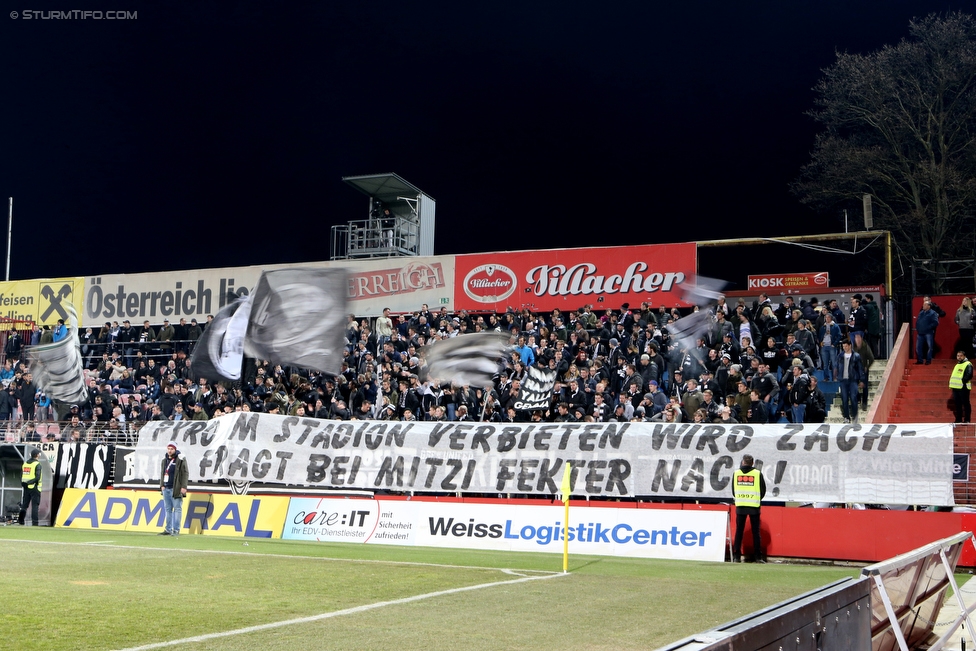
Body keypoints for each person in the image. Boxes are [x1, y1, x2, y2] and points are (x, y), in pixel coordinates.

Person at [731, 454, 766, 563]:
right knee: (756, 533)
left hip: (740, 505)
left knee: (739, 532)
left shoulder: (736, 474)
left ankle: (737, 556)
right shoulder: (757, 474)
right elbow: (763, 490)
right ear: (752, 463)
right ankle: (757, 557)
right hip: (754, 506)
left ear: (743, 462)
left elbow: (733, 490)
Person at [159, 443, 188, 536]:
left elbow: (185, 473)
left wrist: (184, 486)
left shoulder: (180, 459)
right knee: (168, 509)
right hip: (166, 487)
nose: (170, 450)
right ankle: (168, 529)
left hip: (176, 488)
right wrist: (162, 485)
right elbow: (162, 473)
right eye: (168, 448)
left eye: (171, 449)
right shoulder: (164, 460)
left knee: (177, 509)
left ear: (175, 449)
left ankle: (176, 530)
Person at [838, 339, 865, 424]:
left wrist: (861, 379)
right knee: (844, 399)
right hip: (843, 380)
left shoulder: (856, 356)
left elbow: (860, 368)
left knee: (853, 398)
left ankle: (855, 416)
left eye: (846, 346)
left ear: (850, 345)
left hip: (853, 380)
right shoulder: (840, 356)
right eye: (843, 346)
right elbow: (837, 366)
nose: (844, 348)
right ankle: (846, 417)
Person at [18, 449, 42, 526]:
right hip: (34, 487)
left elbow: (21, 475)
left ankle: (21, 521)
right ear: (37, 455)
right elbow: (37, 477)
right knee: (35, 505)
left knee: (24, 505)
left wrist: (24, 483)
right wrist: (30, 482)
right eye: (39, 454)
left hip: (25, 487)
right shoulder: (37, 464)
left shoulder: (25, 464)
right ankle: (35, 523)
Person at [949, 350, 973, 424]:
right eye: (958, 356)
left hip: (963, 387)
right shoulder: (957, 364)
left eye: (961, 356)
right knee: (958, 404)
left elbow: (969, 375)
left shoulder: (968, 364)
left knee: (965, 404)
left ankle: (967, 419)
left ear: (964, 356)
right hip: (956, 387)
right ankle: (959, 419)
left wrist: (963, 381)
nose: (959, 357)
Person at [915, 301, 939, 365]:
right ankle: (920, 360)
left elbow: (935, 322)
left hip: (928, 333)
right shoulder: (921, 313)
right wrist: (918, 327)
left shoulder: (933, 313)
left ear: (929, 306)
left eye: (925, 305)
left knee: (929, 347)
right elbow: (918, 321)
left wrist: (928, 327)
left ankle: (928, 360)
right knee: (918, 347)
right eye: (923, 304)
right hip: (920, 333)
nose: (923, 306)